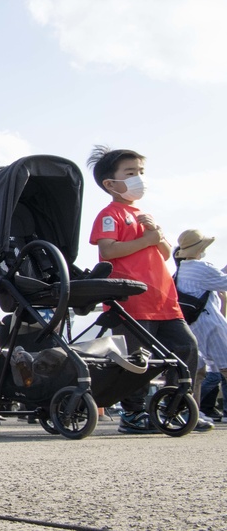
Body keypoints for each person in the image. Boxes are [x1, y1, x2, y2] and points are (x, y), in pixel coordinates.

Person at [87, 146, 213, 433]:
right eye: (130, 173)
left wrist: (156, 235)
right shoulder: (110, 214)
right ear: (110, 183)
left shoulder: (144, 214)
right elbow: (108, 250)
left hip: (164, 300)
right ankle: (133, 415)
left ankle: (177, 407)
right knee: (136, 360)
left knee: (186, 348)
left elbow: (166, 253)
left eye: (140, 172)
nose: (138, 179)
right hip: (131, 301)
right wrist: (149, 238)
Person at [173, 229, 227, 422]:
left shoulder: (181, 270)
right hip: (210, 324)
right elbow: (223, 282)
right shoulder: (201, 266)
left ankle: (193, 412)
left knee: (198, 371)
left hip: (192, 326)